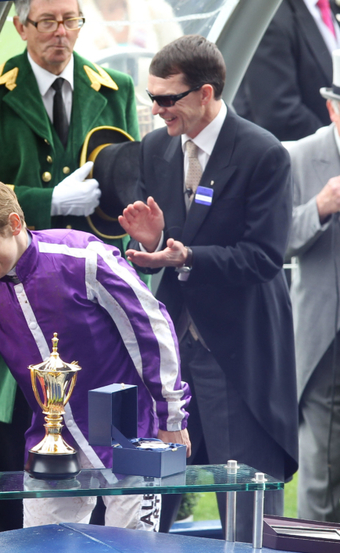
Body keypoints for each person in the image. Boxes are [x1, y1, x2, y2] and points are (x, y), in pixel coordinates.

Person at [0, 0, 141, 528]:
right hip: (17, 285)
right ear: (19, 26)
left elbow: (126, 179)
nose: (61, 33)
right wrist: (46, 201)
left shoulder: (115, 89)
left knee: (109, 448)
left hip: (89, 298)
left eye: (71, 21)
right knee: (19, 445)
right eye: (47, 22)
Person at [0, 175, 190, 530]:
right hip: (51, 444)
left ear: (14, 224)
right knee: (42, 545)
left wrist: (170, 415)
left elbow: (151, 327)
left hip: (131, 436)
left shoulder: (84, 257)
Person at [119, 35, 298, 542]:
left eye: (166, 99)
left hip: (237, 354)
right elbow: (166, 235)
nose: (156, 111)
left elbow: (264, 257)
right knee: (154, 501)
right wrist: (155, 242)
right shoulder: (154, 149)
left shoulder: (262, 152)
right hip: (172, 353)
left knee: (246, 515)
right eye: (151, 98)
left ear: (205, 93)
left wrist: (186, 256)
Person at [285, 48, 340, 522]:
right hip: (326, 340)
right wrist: (319, 207)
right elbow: (271, 243)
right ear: (331, 108)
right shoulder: (298, 156)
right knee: (320, 470)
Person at [234, 0, 339, 142]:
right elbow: (279, 110)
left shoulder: (330, 6)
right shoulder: (270, 17)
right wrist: (334, 142)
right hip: (309, 155)